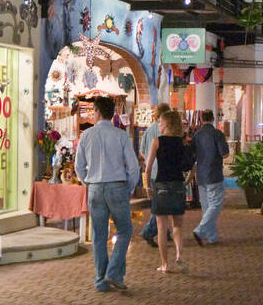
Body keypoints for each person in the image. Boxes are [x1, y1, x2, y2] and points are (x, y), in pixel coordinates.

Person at [73, 95, 141, 292]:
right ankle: (114, 273)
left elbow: (79, 167)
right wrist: (128, 187)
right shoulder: (121, 136)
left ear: (98, 112)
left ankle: (101, 280)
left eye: (93, 111)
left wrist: (88, 181)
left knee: (99, 235)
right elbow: (134, 167)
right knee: (124, 230)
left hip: (95, 188)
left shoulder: (86, 135)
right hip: (117, 187)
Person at [144, 109, 194, 273]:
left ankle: (165, 264)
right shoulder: (183, 142)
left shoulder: (157, 142)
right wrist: (186, 182)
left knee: (161, 228)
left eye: (160, 122)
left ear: (166, 124)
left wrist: (147, 187)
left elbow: (148, 168)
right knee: (177, 225)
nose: (158, 124)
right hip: (178, 185)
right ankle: (179, 254)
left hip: (162, 186)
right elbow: (192, 167)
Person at [191, 110, 230, 245]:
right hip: (214, 174)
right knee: (215, 205)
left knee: (206, 207)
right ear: (213, 118)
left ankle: (211, 236)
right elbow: (225, 154)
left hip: (201, 175)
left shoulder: (197, 135)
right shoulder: (217, 134)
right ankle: (200, 230)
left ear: (201, 119)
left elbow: (193, 154)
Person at [139, 102, 171, 247]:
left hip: (151, 171)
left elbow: (142, 152)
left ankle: (166, 231)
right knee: (161, 205)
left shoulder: (148, 131)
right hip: (162, 172)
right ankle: (149, 231)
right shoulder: (165, 130)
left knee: (159, 203)